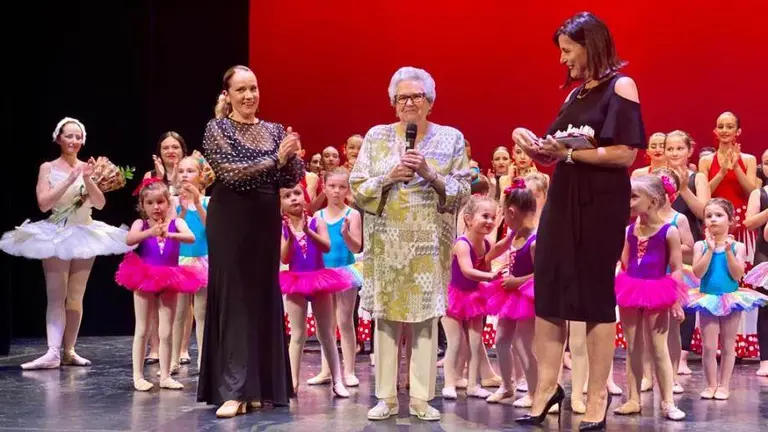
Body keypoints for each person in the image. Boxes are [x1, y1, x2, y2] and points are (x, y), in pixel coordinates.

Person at [511, 12, 646, 429]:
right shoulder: (575, 95)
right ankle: (547, 390)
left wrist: (568, 153)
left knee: (593, 296)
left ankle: (597, 396)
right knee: (549, 289)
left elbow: (626, 152)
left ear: (591, 45)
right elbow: (561, 150)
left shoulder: (620, 86)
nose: (563, 60)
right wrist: (536, 146)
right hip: (563, 197)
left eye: (568, 51)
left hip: (599, 202)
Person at [350, 66, 470, 421]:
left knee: (424, 323)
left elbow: (463, 189)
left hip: (428, 245)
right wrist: (388, 177)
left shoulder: (451, 138)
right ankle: (385, 397)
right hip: (386, 244)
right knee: (386, 320)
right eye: (402, 97)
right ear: (393, 103)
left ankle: (420, 398)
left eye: (417, 96)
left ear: (430, 102)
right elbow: (358, 186)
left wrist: (431, 175)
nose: (410, 103)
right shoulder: (376, 137)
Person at [196, 65, 303, 418]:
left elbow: (290, 178)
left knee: (261, 297)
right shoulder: (218, 128)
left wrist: (293, 156)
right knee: (235, 299)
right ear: (228, 95)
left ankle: (259, 387)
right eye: (241, 90)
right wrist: (277, 158)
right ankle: (233, 388)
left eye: (254, 88)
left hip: (263, 221)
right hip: (230, 221)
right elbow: (232, 175)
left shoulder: (273, 130)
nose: (249, 96)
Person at [0, 117, 132, 370]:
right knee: (56, 295)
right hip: (56, 234)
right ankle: (52, 351)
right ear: (58, 138)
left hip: (84, 232)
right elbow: (44, 204)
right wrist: (70, 179)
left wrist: (88, 178)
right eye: (68, 136)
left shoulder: (87, 167)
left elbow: (101, 204)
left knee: (75, 297)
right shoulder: (47, 168)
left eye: (78, 136)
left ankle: (69, 350)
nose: (74, 141)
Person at [115, 178, 203, 391]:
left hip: (170, 278)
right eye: (151, 203)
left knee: (166, 330)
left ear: (168, 203)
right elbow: (130, 239)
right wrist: (150, 233)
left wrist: (169, 233)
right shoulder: (141, 224)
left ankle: (165, 376)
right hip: (144, 276)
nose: (156, 207)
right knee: (143, 328)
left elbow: (191, 237)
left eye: (161, 202)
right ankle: (137, 376)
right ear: (143, 206)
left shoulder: (176, 223)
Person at [612, 175, 686, 420]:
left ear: (653, 201)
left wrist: (675, 299)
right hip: (631, 288)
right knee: (632, 346)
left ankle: (668, 401)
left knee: (658, 348)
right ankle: (633, 398)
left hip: (657, 290)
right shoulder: (629, 230)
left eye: (634, 197)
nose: (629, 202)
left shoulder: (669, 231)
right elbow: (624, 262)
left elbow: (676, 267)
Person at [688, 198, 768, 399]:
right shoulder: (700, 246)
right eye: (709, 216)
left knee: (728, 344)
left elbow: (737, 274)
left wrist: (728, 251)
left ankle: (724, 385)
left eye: (718, 215)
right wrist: (709, 249)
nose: (713, 220)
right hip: (708, 298)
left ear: (730, 220)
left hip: (730, 298)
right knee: (708, 346)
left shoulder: (737, 247)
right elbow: (698, 273)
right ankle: (710, 384)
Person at [743, 148, 768, 375]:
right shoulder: (759, 194)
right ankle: (765, 361)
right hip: (765, 254)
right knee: (766, 308)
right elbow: (749, 223)